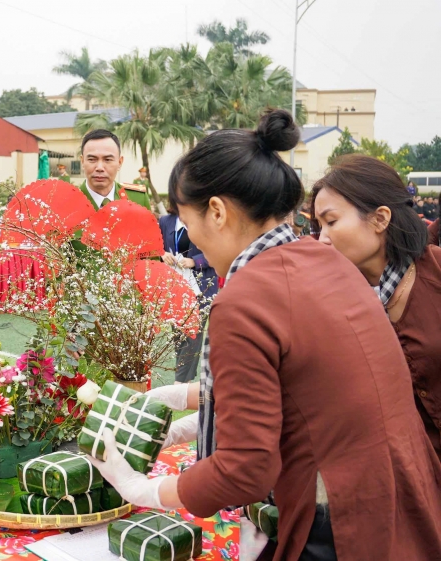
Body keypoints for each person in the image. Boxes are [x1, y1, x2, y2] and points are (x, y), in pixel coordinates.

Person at [93, 110, 441, 560]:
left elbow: (246, 470)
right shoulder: (329, 263)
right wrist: (186, 400)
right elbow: (307, 387)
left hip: (341, 525)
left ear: (216, 211)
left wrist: (144, 489)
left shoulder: (245, 299)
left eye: (187, 222)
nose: (192, 239)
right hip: (407, 500)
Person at [312, 154, 441, 462]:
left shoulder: (435, 274)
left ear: (381, 218)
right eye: (318, 225)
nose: (322, 239)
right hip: (406, 479)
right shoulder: (331, 301)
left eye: (331, 222)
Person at [158, 204, 217, 383]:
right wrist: (162, 254)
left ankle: (180, 382)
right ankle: (186, 378)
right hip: (174, 283)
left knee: (193, 333)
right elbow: (154, 245)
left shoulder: (208, 221)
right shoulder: (165, 221)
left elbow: (218, 250)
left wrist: (194, 261)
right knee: (178, 333)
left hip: (200, 285)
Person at [77, 129, 152, 211]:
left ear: (120, 162)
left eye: (108, 160)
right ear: (82, 161)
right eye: (92, 159)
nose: (99, 168)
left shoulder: (138, 198)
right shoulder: (67, 203)